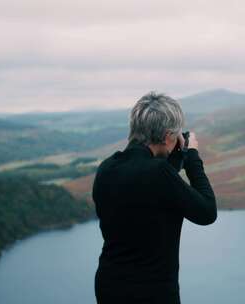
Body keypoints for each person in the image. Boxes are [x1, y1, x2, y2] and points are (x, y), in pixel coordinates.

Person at [92, 91, 217, 303]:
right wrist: (192, 157)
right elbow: (207, 212)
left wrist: (174, 157)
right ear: (168, 137)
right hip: (152, 293)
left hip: (109, 287)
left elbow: (148, 190)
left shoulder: (107, 168)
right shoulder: (159, 174)